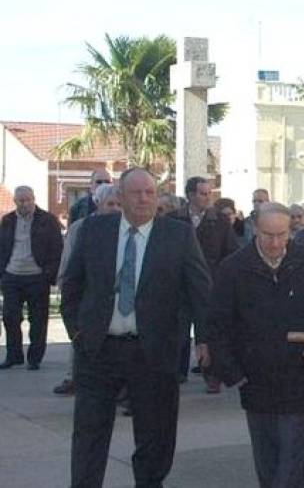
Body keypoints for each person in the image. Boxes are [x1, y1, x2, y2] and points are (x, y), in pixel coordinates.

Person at [60, 168, 212, 487]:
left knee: (155, 436)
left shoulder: (178, 235)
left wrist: (205, 339)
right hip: (99, 350)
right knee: (89, 434)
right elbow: (72, 287)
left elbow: (200, 290)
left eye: (150, 193)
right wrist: (78, 333)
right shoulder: (94, 230)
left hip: (153, 352)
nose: (143, 199)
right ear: (120, 196)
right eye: (136, 193)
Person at [206, 203, 304, 488]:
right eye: (269, 235)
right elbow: (217, 324)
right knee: (266, 459)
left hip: (298, 375)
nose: (276, 242)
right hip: (254, 378)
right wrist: (233, 373)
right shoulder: (233, 268)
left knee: (292, 459)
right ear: (255, 229)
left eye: (282, 234)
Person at [168, 176, 238, 391]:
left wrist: (222, 280)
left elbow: (230, 252)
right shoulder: (173, 220)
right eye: (202, 193)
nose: (207, 198)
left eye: (209, 193)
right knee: (177, 331)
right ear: (190, 195)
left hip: (209, 286)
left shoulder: (220, 221)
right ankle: (175, 373)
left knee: (208, 332)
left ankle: (212, 375)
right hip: (179, 286)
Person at [53, 184, 122, 395]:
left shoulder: (128, 230)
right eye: (111, 204)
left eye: (119, 204)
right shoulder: (81, 228)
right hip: (87, 300)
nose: (115, 209)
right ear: (98, 203)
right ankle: (76, 378)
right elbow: (69, 264)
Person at [0, 186, 64, 369]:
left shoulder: (47, 220)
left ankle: (34, 359)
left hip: (37, 276)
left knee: (38, 319)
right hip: (12, 275)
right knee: (10, 317)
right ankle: (14, 355)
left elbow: (57, 248)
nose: (25, 203)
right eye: (21, 200)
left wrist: (49, 274)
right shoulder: (8, 221)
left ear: (34, 199)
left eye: (28, 199)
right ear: (15, 201)